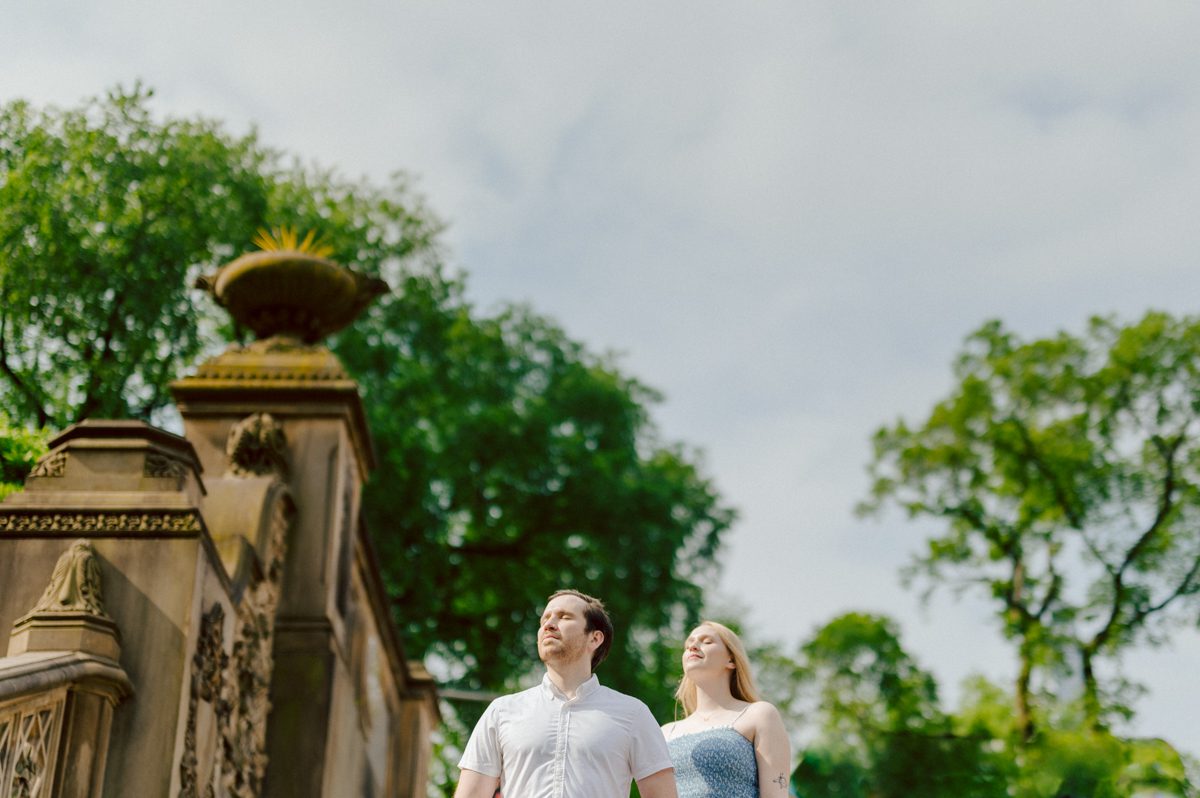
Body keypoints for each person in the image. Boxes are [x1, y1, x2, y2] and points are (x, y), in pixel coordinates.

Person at [455, 589, 678, 798]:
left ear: (595, 638)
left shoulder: (633, 714)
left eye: (564, 617)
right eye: (545, 619)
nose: (549, 624)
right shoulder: (502, 711)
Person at [662, 621, 791, 796]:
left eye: (707, 642)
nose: (693, 646)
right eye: (688, 645)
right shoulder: (665, 733)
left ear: (731, 660)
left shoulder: (759, 715)